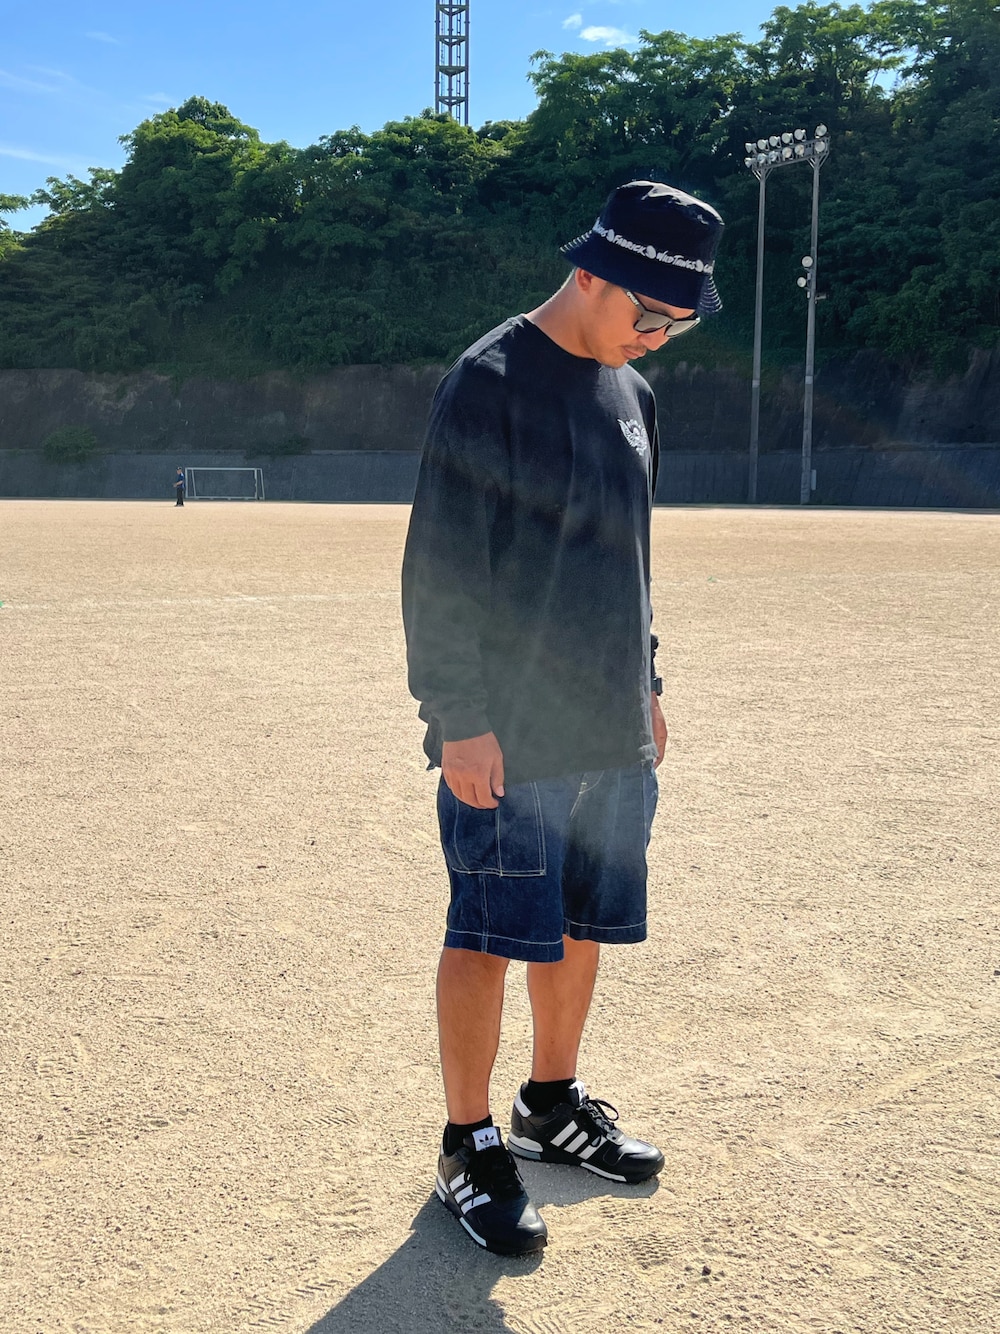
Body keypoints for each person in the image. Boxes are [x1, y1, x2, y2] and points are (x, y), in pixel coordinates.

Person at [402, 180, 724, 1256]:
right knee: (489, 930)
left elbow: (630, 555)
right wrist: (458, 717)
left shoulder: (634, 392)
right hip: (511, 727)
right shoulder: (488, 382)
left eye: (678, 323)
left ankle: (550, 1103)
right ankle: (467, 1143)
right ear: (590, 272)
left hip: (609, 721)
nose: (659, 338)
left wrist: (648, 682)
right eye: (650, 314)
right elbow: (440, 565)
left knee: (584, 922)